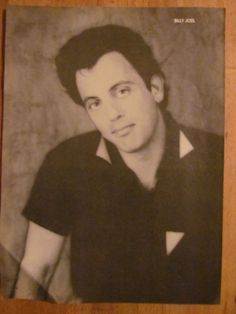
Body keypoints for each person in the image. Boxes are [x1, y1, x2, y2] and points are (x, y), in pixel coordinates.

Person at [14, 25, 224, 303]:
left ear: (155, 88)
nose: (112, 114)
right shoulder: (66, 164)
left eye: (122, 91)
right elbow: (36, 272)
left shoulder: (220, 159)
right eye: (95, 103)